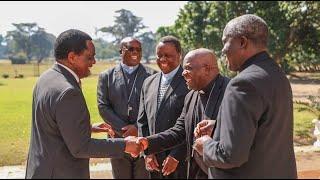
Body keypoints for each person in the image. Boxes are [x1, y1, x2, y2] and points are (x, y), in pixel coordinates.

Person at [25, 29, 142, 179]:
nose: (93, 62)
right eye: (89, 57)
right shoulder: (68, 92)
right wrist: (125, 145)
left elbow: (53, 125)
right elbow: (81, 147)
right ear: (72, 57)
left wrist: (88, 128)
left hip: (41, 170)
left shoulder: (46, 78)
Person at [193, 14, 298, 178]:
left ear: (242, 42)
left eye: (225, 41)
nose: (222, 50)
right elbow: (265, 127)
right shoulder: (277, 75)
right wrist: (220, 126)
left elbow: (231, 155)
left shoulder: (241, 84)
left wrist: (205, 145)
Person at [134, 48, 230, 179]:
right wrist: (148, 142)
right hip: (196, 172)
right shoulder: (191, 96)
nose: (183, 73)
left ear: (207, 68)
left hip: (223, 172)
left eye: (189, 68)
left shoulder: (231, 92)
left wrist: (215, 128)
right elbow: (180, 131)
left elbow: (239, 132)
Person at [97, 37, 157, 179]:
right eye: (130, 49)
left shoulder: (153, 75)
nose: (135, 52)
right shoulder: (106, 76)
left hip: (143, 139)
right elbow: (103, 106)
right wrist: (125, 130)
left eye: (138, 49)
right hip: (117, 140)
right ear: (120, 51)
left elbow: (154, 107)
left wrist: (137, 128)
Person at [137, 36, 188, 179]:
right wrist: (148, 153)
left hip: (180, 162)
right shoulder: (148, 82)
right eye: (159, 55)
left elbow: (191, 124)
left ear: (179, 55)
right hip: (154, 162)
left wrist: (176, 156)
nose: (163, 59)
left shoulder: (190, 82)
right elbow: (142, 121)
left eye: (168, 55)